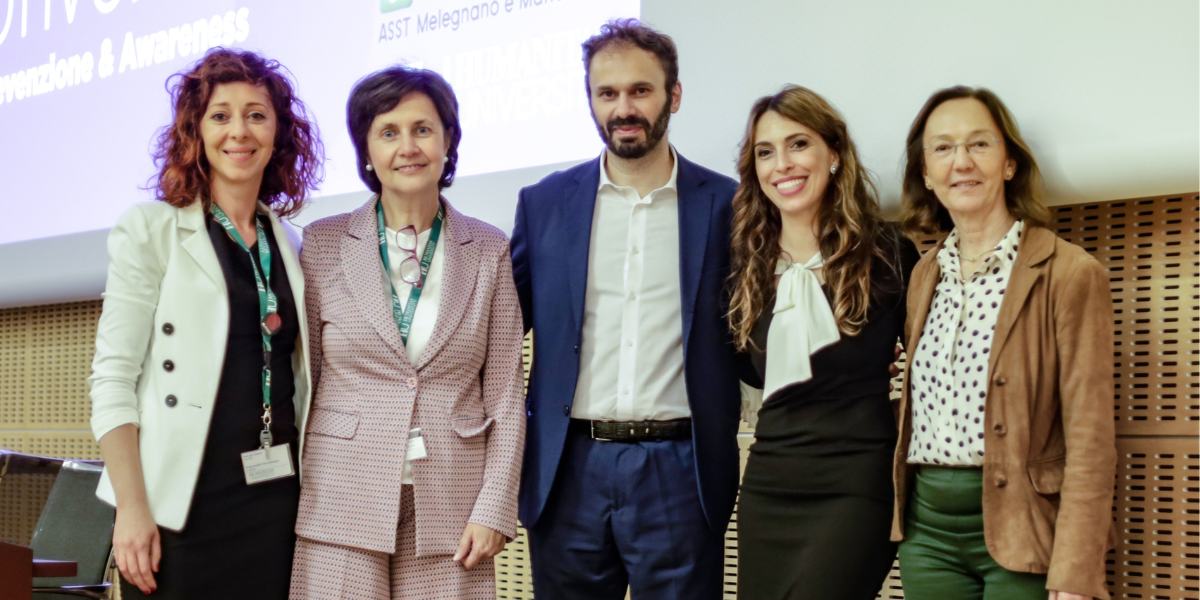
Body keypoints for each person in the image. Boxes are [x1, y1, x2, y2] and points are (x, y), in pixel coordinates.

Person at [511, 19, 740, 599]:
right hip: (568, 469)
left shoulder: (728, 205)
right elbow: (500, 327)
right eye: (607, 93)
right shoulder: (544, 204)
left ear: (674, 95)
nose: (623, 109)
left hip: (680, 469)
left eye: (640, 90)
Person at [89, 48, 323, 599]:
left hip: (275, 502)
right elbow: (113, 379)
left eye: (256, 115)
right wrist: (132, 508)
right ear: (196, 130)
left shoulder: (292, 243)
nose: (239, 131)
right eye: (220, 115)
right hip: (177, 507)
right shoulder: (152, 229)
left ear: (278, 132)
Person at [288, 65, 525, 600]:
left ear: (448, 141)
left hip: (453, 506)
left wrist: (494, 507)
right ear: (367, 151)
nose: (408, 147)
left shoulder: (488, 249)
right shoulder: (322, 245)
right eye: (388, 132)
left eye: (422, 129)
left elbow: (506, 393)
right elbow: (307, 379)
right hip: (341, 498)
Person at [891, 86, 1116, 600]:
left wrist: (1077, 569)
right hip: (927, 535)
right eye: (943, 148)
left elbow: (1091, 436)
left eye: (979, 144)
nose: (961, 162)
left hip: (1024, 525)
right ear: (926, 172)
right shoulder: (924, 275)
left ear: (1009, 163)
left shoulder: (1069, 273)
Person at [728, 85, 918, 599]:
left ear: (833, 153)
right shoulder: (742, 265)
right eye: (765, 152)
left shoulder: (888, 254)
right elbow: (743, 369)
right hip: (769, 483)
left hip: (855, 485)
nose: (782, 165)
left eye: (798, 144)